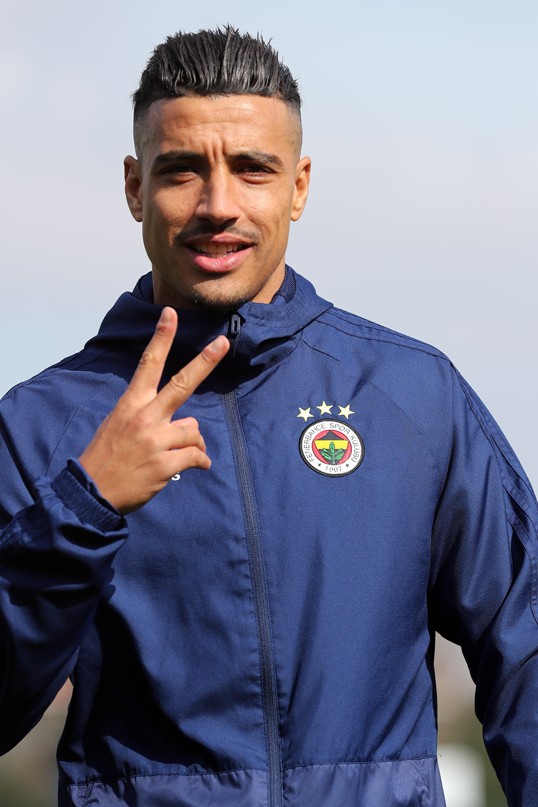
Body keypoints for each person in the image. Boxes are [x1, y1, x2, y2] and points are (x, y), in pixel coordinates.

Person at [0, 26, 536, 807]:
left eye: (253, 169)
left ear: (299, 186)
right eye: (182, 169)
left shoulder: (412, 395)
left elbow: (525, 648)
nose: (219, 205)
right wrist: (85, 506)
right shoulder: (41, 425)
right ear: (134, 187)